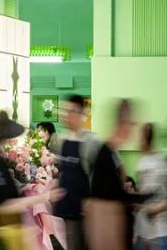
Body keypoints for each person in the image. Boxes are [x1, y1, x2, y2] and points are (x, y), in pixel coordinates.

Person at [52, 94, 101, 250]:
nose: (66, 115)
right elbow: (62, 171)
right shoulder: (62, 140)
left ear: (81, 114)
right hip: (65, 208)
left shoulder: (92, 141)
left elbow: (106, 173)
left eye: (71, 111)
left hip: (85, 210)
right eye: (64, 111)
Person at [86, 99, 137, 250]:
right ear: (124, 123)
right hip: (107, 226)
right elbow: (107, 198)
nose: (133, 129)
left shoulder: (110, 153)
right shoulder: (106, 154)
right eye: (132, 124)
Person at [134, 123, 167, 250]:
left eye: (141, 137)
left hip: (165, 231)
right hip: (147, 232)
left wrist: (156, 209)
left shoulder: (165, 163)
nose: (138, 142)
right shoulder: (142, 162)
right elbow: (144, 192)